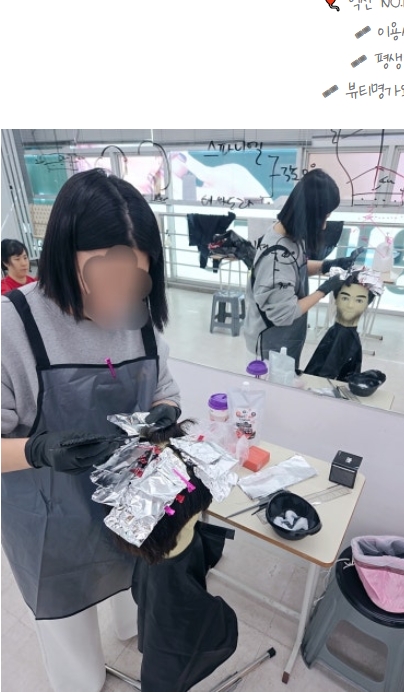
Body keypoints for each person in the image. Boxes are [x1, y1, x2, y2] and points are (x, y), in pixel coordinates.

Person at [1, 168, 183, 692]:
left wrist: (166, 411)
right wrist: (38, 450)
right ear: (63, 255)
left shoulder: (138, 319)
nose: (119, 299)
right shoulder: (12, 327)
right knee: (72, 637)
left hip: (129, 503)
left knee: (132, 594)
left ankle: (127, 629)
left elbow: (164, 386)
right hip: (49, 517)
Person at [243, 169, 356, 366]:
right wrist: (324, 290)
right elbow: (285, 313)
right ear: (310, 216)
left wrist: (327, 265)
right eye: (324, 218)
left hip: (285, 340)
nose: (324, 226)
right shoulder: (276, 258)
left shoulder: (289, 235)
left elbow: (296, 268)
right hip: (268, 347)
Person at [303, 271, 376, 381]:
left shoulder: (345, 335)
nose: (350, 305)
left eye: (359, 300)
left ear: (367, 304)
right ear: (336, 299)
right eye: (345, 298)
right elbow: (325, 374)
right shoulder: (339, 333)